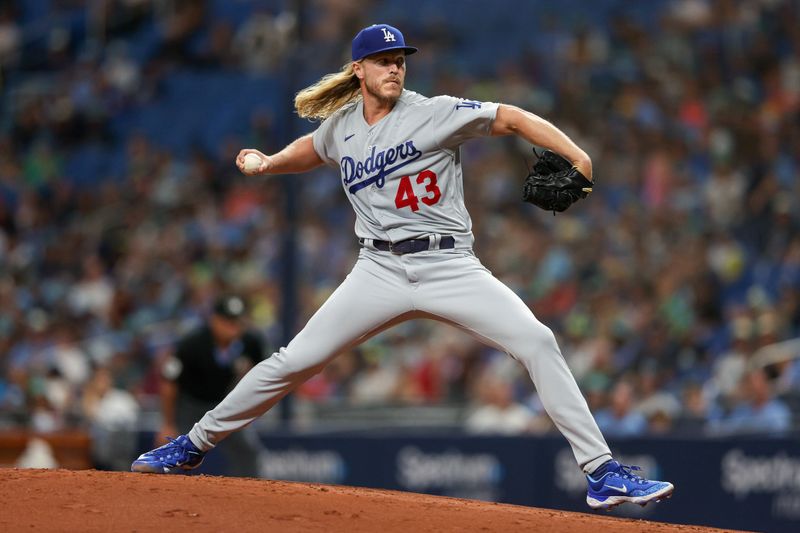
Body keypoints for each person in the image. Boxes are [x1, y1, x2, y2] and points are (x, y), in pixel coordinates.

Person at [132, 23, 674, 510]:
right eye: (384, 60)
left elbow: (510, 117)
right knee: (292, 360)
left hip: (448, 264)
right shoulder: (342, 127)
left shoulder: (433, 111)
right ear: (358, 70)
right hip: (378, 270)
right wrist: (270, 163)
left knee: (537, 341)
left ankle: (602, 473)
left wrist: (578, 156)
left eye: (400, 59)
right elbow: (315, 147)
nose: (395, 67)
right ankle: (193, 444)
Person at [153, 294, 268, 477]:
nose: (233, 327)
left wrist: (249, 409)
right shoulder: (192, 343)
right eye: (227, 321)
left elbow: (265, 374)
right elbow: (169, 382)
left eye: (237, 322)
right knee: (174, 453)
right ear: (214, 320)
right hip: (189, 406)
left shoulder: (250, 342)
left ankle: (247, 496)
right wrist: (167, 423)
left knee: (248, 451)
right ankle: (159, 492)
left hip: (221, 406)